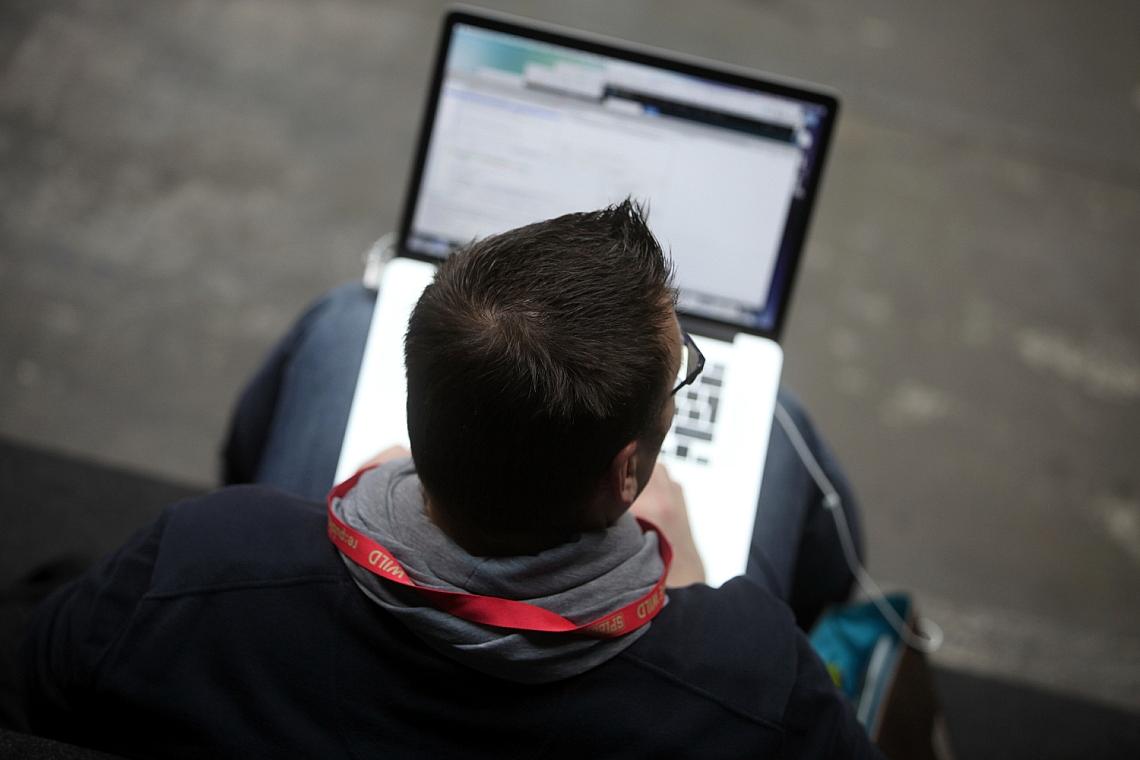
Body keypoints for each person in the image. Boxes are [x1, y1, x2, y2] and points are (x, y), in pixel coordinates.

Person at [21, 201, 881, 758]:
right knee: (783, 426)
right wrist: (696, 601)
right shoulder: (749, 683)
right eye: (681, 372)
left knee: (339, 320)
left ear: (416, 410)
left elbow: (27, 690)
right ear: (626, 474)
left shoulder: (204, 565)